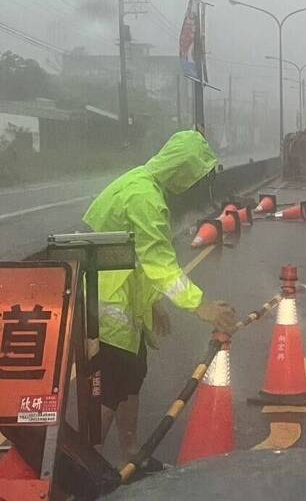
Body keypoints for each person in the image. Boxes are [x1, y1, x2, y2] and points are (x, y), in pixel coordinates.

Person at [83, 130, 236, 469]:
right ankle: (83, 472)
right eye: (195, 174)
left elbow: (132, 252)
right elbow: (158, 262)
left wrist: (152, 302)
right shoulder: (145, 197)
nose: (195, 183)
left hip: (122, 295)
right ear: (181, 170)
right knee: (110, 385)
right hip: (110, 305)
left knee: (133, 374)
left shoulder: (140, 182)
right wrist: (201, 306)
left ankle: (131, 454)